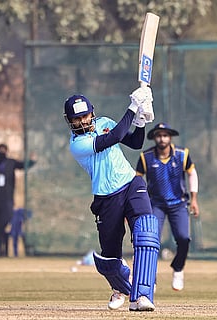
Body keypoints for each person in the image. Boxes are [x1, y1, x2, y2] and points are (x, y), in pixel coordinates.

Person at [63, 87, 159, 312]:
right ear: (69, 121)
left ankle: (142, 296)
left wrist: (141, 120)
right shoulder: (77, 145)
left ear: (92, 112)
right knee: (110, 258)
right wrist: (133, 107)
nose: (82, 121)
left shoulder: (104, 121)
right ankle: (120, 288)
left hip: (131, 183)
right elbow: (112, 138)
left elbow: (135, 142)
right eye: (77, 119)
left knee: (146, 231)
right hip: (106, 197)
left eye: (85, 115)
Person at [136, 122, 200, 291]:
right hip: (155, 204)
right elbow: (137, 180)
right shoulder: (146, 157)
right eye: (158, 135)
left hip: (178, 203)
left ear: (170, 137)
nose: (162, 138)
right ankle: (151, 278)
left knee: (184, 239)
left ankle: (178, 269)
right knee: (150, 241)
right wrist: (136, 204)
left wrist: (194, 199)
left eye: (165, 135)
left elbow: (192, 173)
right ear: (154, 138)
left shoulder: (182, 154)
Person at [0, 143, 36, 257]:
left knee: (4, 222)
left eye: (4, 150)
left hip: (6, 200)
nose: (2, 153)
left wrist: (32, 161)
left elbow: (22, 165)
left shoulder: (10, 163)